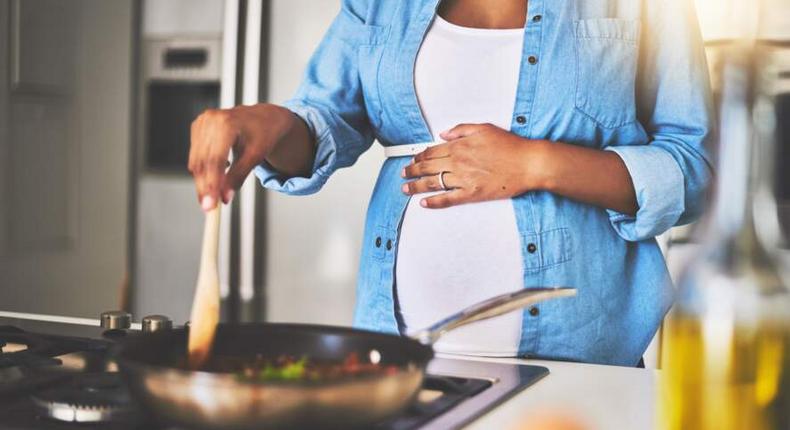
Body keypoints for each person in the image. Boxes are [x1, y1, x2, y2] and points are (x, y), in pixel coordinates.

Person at [188, 0, 713, 366]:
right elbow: (322, 121)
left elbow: (695, 168)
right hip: (401, 363)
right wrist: (271, 124)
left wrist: (534, 164)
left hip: (579, 363)